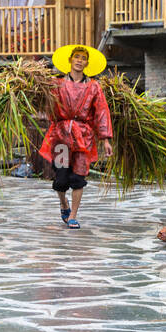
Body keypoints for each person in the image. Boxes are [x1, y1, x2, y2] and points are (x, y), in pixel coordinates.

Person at [39, 44, 114, 228]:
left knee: (78, 178)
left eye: (83, 58)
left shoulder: (94, 86)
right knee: (61, 178)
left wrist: (105, 140)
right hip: (61, 136)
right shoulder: (56, 83)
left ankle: (73, 215)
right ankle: (63, 204)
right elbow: (45, 103)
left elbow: (102, 112)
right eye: (77, 57)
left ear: (87, 63)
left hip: (83, 138)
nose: (80, 60)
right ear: (70, 60)